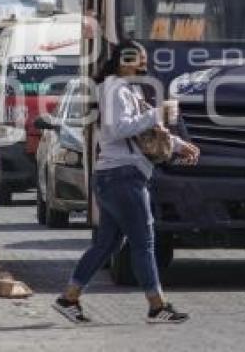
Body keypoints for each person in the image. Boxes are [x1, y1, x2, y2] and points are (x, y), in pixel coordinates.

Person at [53, 39, 200, 325]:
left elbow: (147, 133)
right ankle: (157, 306)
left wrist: (181, 145)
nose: (145, 64)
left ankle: (69, 298)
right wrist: (157, 113)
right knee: (143, 243)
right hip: (123, 177)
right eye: (140, 59)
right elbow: (118, 129)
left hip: (118, 176)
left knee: (106, 245)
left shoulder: (125, 89)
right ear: (125, 61)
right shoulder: (114, 89)